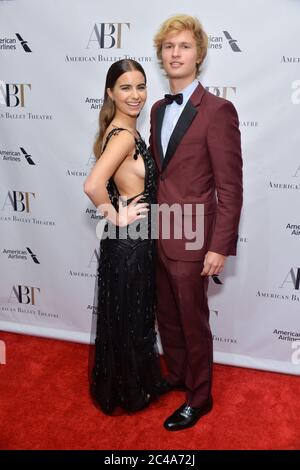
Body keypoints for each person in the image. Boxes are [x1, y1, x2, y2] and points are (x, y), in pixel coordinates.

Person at [150, 15, 243, 430]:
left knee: (192, 319)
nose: (175, 53)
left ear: (199, 54)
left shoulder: (218, 110)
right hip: (158, 230)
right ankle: (178, 375)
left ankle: (200, 396)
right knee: (167, 316)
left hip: (194, 237)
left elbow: (230, 186)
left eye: (184, 46)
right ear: (161, 55)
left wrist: (220, 245)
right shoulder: (155, 109)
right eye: (169, 47)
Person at [84, 59, 165, 415]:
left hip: (132, 241)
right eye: (126, 88)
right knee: (131, 316)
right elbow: (92, 185)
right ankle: (131, 390)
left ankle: (129, 384)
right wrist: (117, 215)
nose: (136, 95)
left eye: (141, 86)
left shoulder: (118, 129)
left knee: (128, 316)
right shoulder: (125, 135)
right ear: (110, 93)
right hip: (130, 241)